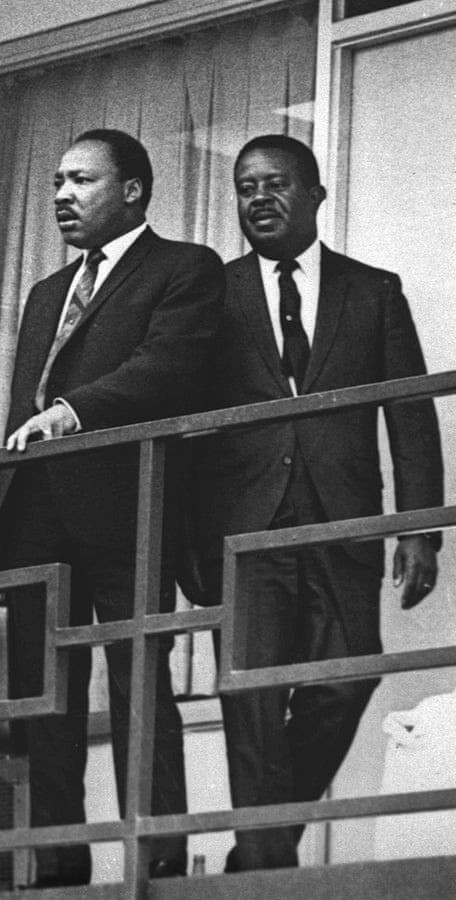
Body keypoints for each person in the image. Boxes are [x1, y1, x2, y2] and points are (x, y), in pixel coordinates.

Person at [189, 134, 443, 872]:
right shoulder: (214, 294)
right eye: (245, 187)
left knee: (350, 674)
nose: (258, 198)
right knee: (252, 698)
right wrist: (188, 549)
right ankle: (266, 871)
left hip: (344, 519)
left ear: (316, 195)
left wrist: (419, 528)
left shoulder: (374, 291)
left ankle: (258, 851)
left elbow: (410, 412)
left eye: (275, 184)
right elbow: (187, 428)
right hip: (244, 530)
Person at [0, 129, 223, 886]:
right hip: (37, 517)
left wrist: (70, 412)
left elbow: (167, 368)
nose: (61, 195)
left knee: (139, 691)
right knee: (44, 701)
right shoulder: (44, 293)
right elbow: (18, 412)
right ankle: (57, 865)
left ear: (132, 190)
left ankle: (155, 861)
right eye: (56, 180)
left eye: (81, 180)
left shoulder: (184, 268)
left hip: (132, 510)